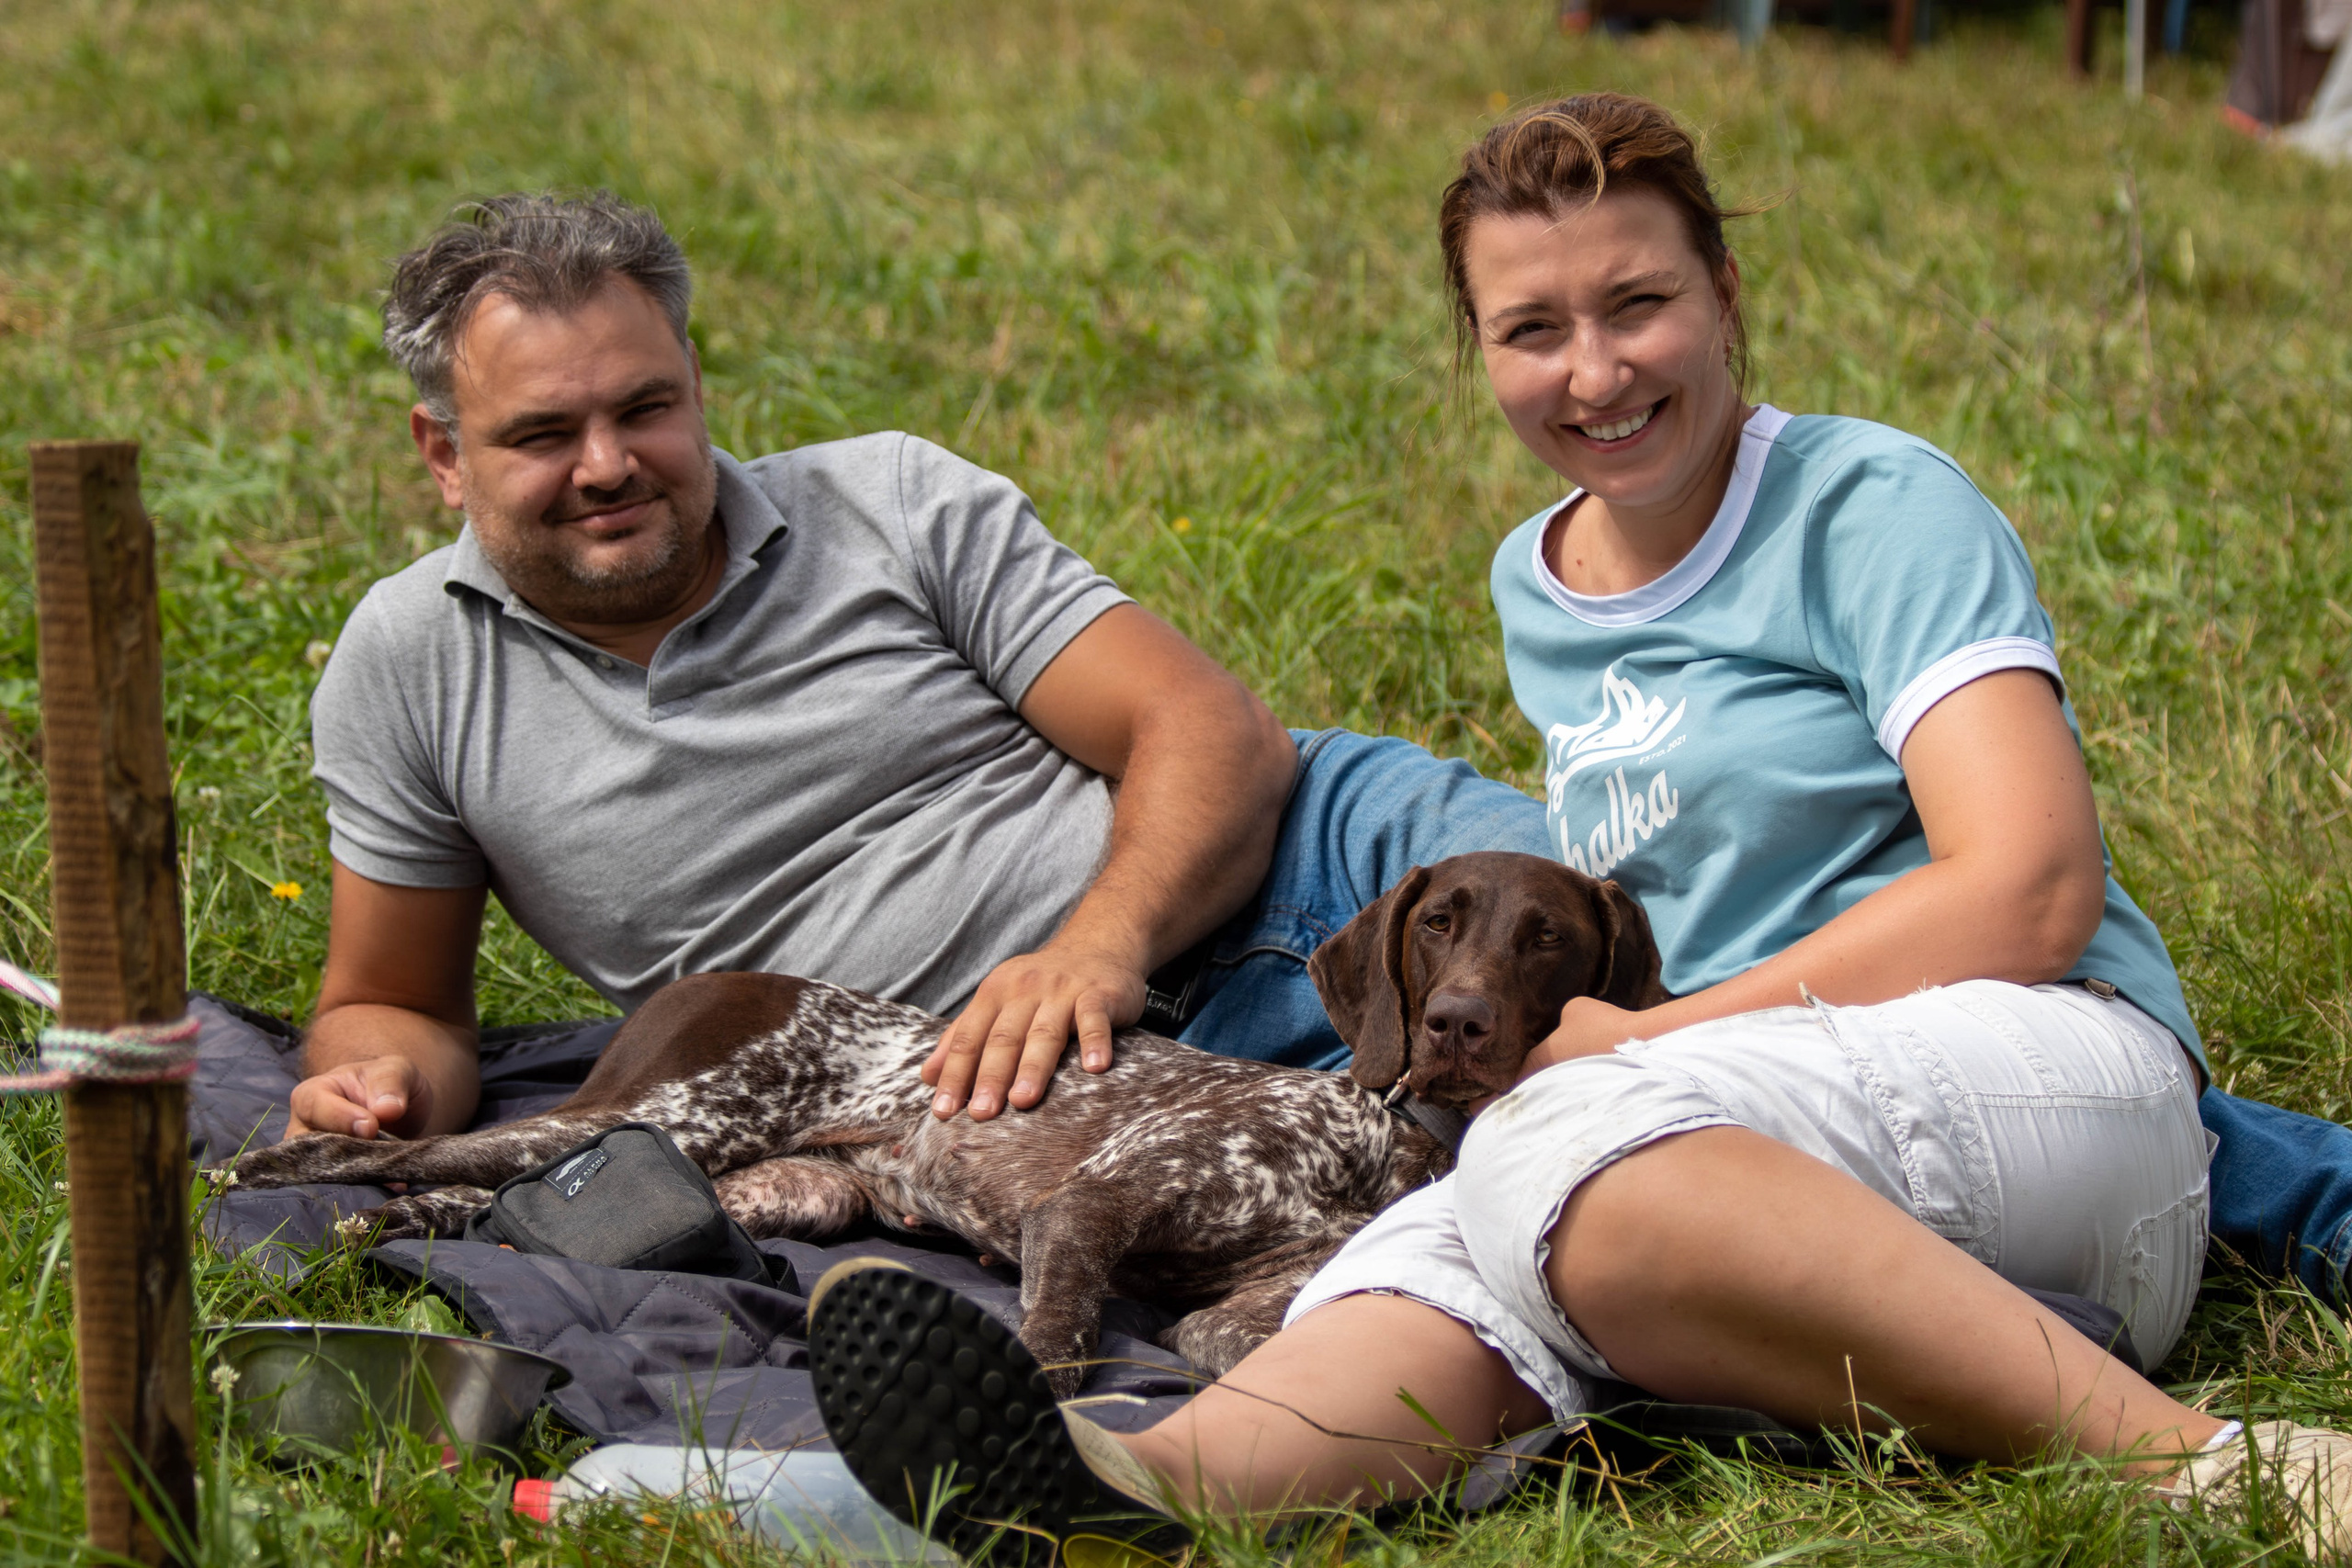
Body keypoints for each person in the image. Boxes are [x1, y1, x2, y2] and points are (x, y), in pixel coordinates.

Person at [803, 94, 2352, 1558]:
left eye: (1638, 306)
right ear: (1479, 349)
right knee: (1428, 1238)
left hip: (2047, 1077)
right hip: (1757, 1159)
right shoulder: (1537, 583)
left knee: (1553, 1146)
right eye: (1532, 329)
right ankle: (1125, 1491)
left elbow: (2031, 888)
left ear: (1726, 295)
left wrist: (1649, 1044)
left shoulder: (1872, 506)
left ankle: (2214, 1467)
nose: (1595, 373)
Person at [287, 192, 1549, 1148]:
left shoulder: (887, 500)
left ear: (697, 384)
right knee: (1533, 1173)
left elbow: (1207, 727)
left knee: (1642, 945)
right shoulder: (410, 669)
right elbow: (396, 1003)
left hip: (1322, 862)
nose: (609, 463)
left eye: (645, 408)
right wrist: (376, 1086)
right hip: (1032, 1096)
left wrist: (1093, 949)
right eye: (545, 434)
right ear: (443, 454)